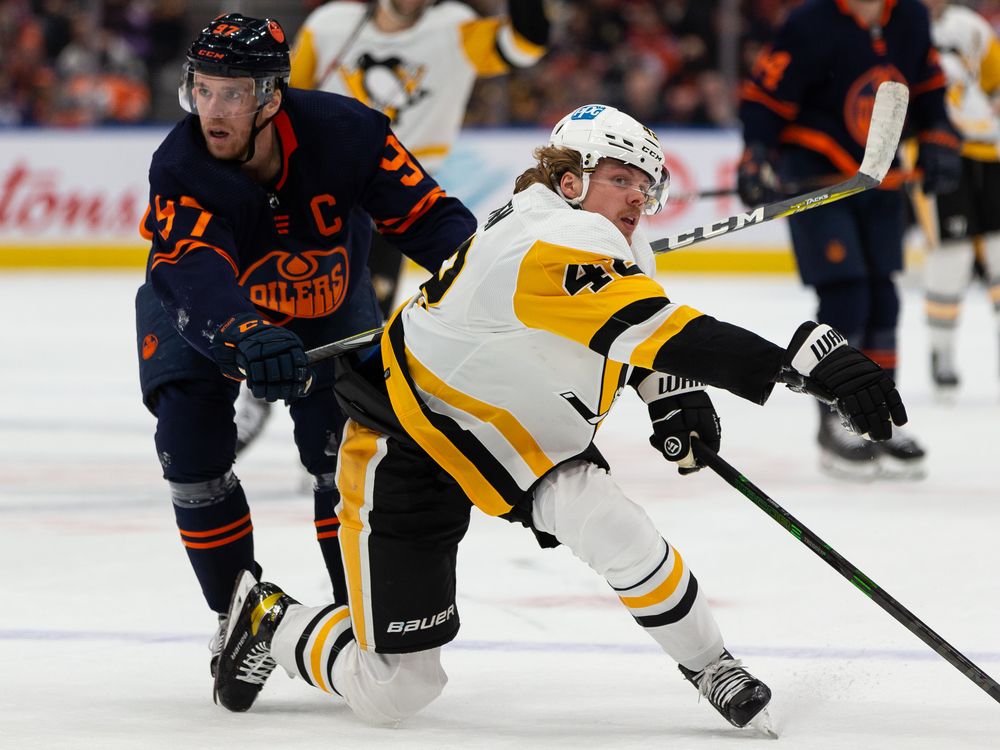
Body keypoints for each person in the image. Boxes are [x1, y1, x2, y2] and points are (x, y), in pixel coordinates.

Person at [210, 104, 909, 733]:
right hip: (412, 436)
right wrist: (797, 363)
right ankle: (268, 619)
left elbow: (626, 328)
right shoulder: (547, 241)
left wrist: (668, 394)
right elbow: (650, 324)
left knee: (613, 524)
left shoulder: (588, 234)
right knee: (397, 687)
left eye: (647, 184)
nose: (639, 195)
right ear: (570, 178)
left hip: (519, 427)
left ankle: (709, 664)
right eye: (622, 178)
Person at [134, 13, 476, 678]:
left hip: (327, 305)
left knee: (342, 454)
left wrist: (487, 268)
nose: (212, 110)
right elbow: (194, 270)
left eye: (232, 92)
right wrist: (244, 333)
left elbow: (431, 220)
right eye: (202, 89)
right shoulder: (180, 166)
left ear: (271, 95)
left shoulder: (350, 134)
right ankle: (238, 614)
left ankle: (357, 609)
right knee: (190, 448)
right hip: (203, 310)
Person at [227, 0, 551, 460]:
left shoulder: (454, 26)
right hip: (321, 182)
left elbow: (524, 45)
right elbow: (279, 97)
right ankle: (258, 395)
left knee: (360, 320)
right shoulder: (332, 24)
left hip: (398, 190)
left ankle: (335, 430)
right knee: (282, 294)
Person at [737, 0, 961, 480]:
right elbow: (764, 97)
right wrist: (756, 152)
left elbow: (927, 87)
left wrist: (940, 134)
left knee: (883, 295)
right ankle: (837, 418)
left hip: (880, 173)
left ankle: (877, 415)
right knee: (847, 293)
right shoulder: (808, 21)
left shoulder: (910, 17)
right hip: (817, 172)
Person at [918, 0, 1000, 395]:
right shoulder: (899, 26)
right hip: (939, 154)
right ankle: (942, 353)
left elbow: (994, 78)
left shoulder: (971, 26)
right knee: (951, 257)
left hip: (989, 152)